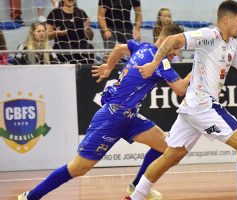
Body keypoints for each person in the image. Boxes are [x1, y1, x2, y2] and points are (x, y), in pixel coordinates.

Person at [17, 24, 190, 200]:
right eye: (175, 48)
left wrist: (108, 67)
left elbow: (119, 49)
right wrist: (200, 67)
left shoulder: (143, 47)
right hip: (111, 117)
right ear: (164, 41)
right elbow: (180, 89)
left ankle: (136, 187)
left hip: (130, 117)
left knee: (166, 148)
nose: (176, 53)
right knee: (79, 168)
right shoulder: (160, 62)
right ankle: (30, 196)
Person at [128, 1, 237, 200]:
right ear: (225, 20)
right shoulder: (210, 36)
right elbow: (173, 39)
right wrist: (154, 63)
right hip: (203, 106)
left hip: (192, 109)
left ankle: (135, 196)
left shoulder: (232, 45)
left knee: (171, 156)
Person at [46, 0, 95, 64]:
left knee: (89, 48)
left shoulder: (81, 13)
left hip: (81, 44)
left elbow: (90, 38)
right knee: (68, 50)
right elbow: (47, 36)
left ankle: (86, 72)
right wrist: (56, 32)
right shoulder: (55, 13)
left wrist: (87, 28)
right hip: (62, 45)